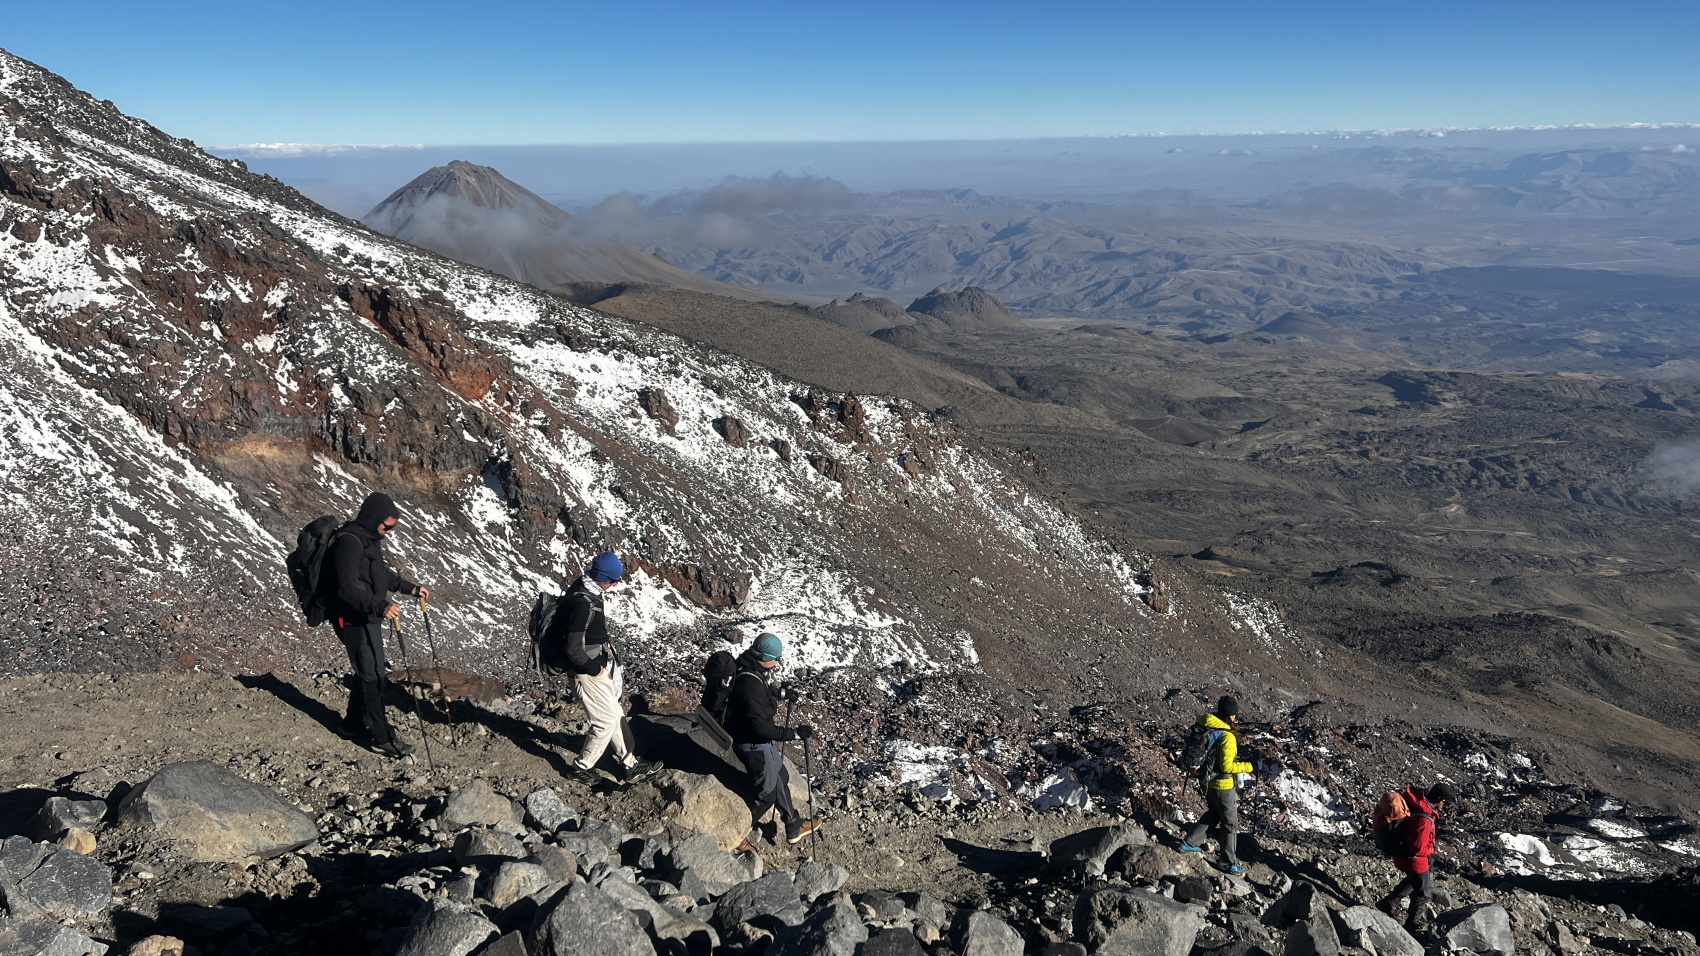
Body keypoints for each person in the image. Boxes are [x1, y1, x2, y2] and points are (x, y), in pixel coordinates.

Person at [320, 492, 428, 759]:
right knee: (373, 675)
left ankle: (352, 724)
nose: (389, 532)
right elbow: (346, 587)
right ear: (373, 518)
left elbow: (380, 575)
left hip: (368, 617)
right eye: (387, 526)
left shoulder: (368, 539)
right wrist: (380, 607)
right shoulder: (349, 543)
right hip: (353, 619)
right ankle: (382, 738)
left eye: (392, 528)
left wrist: (410, 589)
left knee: (369, 671)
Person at [553, 551, 661, 786]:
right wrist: (595, 670)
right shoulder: (582, 603)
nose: (615, 584)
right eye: (613, 580)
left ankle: (630, 763)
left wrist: (603, 642)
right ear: (602, 577)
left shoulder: (587, 587)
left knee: (615, 715)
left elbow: (588, 629)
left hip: (595, 666)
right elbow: (573, 649)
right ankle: (581, 767)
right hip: (587, 674)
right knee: (604, 722)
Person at [724, 633, 821, 848]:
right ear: (766, 657)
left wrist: (782, 693)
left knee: (781, 776)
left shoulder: (750, 667)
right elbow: (761, 727)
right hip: (754, 745)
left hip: (758, 743)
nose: (777, 662)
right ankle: (734, 834)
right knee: (766, 795)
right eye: (776, 659)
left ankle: (793, 824)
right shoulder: (749, 682)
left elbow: (762, 691)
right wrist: (794, 734)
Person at [1179, 695, 1257, 874]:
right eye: (1235, 714)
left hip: (1205, 779)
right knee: (1230, 823)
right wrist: (1250, 766)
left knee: (1214, 812)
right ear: (1230, 715)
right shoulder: (1227, 735)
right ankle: (1228, 861)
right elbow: (1227, 767)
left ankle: (1190, 842)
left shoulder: (1206, 724)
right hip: (1222, 784)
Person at [1377, 781, 1458, 929]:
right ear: (1440, 800)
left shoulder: (1418, 803)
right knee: (1423, 893)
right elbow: (1417, 848)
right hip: (1414, 860)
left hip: (1403, 855)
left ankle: (1391, 902)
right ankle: (1412, 925)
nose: (1444, 807)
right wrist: (1431, 850)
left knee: (1414, 881)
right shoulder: (1424, 818)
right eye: (1445, 804)